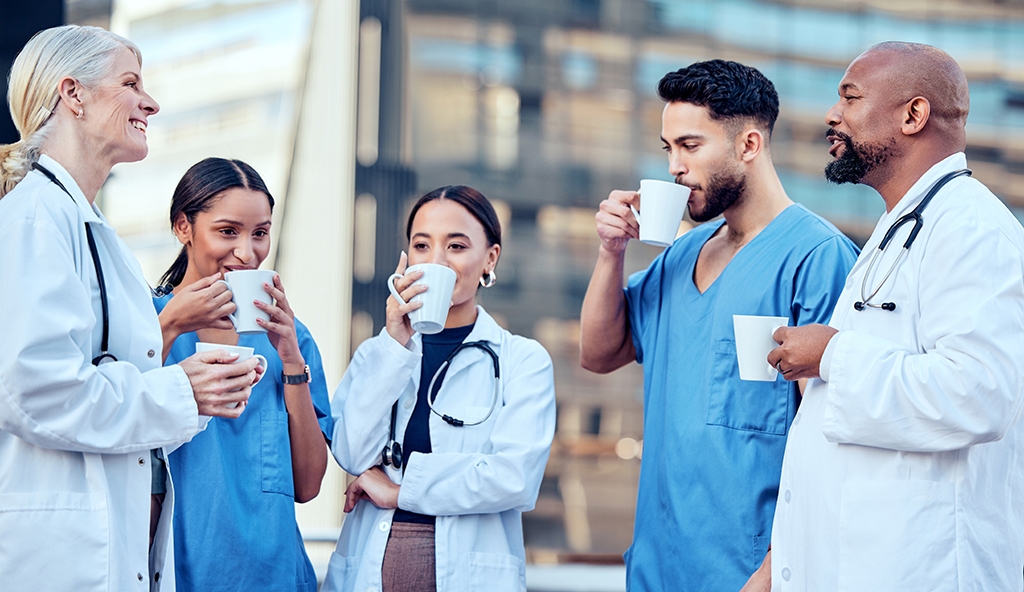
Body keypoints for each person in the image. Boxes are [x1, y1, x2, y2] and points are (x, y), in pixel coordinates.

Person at [579, 60, 859, 591]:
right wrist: (611, 252)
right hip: (657, 570)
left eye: (690, 145)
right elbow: (598, 353)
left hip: (749, 575)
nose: (675, 168)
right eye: (668, 149)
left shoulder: (818, 258)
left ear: (749, 145)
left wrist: (775, 571)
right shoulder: (679, 256)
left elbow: (838, 439)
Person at [0, 26, 259, 590]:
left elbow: (119, 393)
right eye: (130, 82)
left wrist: (200, 391)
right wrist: (180, 390)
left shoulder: (96, 234)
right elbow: (36, 390)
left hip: (109, 548)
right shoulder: (32, 220)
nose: (152, 102)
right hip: (56, 556)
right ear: (73, 94)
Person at [767, 42, 1024, 591]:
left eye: (850, 98)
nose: (832, 116)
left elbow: (978, 393)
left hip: (921, 571)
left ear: (914, 115)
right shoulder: (901, 227)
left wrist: (831, 354)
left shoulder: (971, 228)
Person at [323, 186, 556, 592]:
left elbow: (512, 477)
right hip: (372, 566)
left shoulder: (523, 360)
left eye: (456, 246)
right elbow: (350, 452)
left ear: (490, 258)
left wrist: (399, 492)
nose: (436, 261)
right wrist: (395, 346)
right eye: (422, 245)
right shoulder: (379, 353)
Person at [153, 157, 332, 591]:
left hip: (275, 575)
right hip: (176, 572)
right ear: (183, 227)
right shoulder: (144, 321)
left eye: (260, 233)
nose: (247, 253)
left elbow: (308, 485)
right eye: (228, 231)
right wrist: (171, 325)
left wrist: (290, 360)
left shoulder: (292, 338)